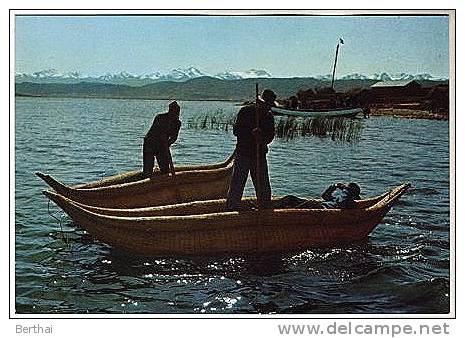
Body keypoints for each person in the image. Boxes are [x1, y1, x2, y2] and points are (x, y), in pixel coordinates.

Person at [226, 89, 277, 210]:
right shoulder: (246, 111)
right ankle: (232, 206)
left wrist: (261, 138)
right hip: (244, 153)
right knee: (238, 181)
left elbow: (270, 137)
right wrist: (251, 133)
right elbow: (236, 131)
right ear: (259, 103)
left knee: (262, 183)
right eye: (266, 105)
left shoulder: (268, 116)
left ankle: (264, 207)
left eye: (269, 106)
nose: (267, 108)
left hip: (259, 154)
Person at [143, 101, 181, 176]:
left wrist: (169, 143)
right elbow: (154, 132)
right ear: (169, 111)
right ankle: (147, 179)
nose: (175, 114)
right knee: (148, 168)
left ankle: (165, 180)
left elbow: (174, 137)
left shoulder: (177, 123)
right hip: (150, 143)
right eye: (173, 111)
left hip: (162, 145)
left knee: (165, 168)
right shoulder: (160, 118)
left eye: (177, 112)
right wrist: (161, 137)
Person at [273, 182, 361, 209]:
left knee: (292, 201)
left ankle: (271, 211)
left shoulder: (348, 201)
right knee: (290, 198)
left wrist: (346, 190)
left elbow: (342, 203)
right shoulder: (339, 197)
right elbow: (324, 196)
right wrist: (334, 186)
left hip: (321, 209)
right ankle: (269, 207)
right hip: (319, 205)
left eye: (347, 188)